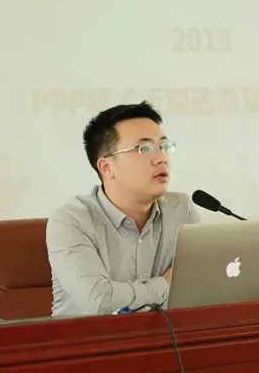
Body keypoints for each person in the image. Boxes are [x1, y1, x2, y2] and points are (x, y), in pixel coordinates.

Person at [46, 101, 203, 317]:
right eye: (144, 148)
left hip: (165, 337)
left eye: (164, 146)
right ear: (106, 167)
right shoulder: (71, 221)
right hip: (89, 338)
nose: (161, 159)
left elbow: (199, 289)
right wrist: (167, 284)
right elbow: (101, 302)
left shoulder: (182, 210)